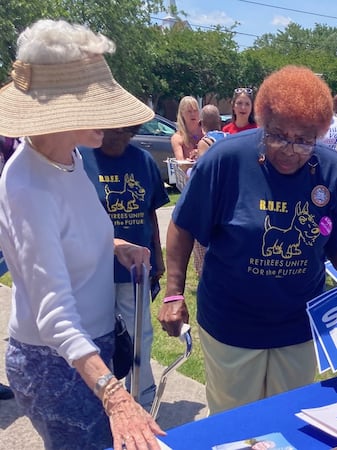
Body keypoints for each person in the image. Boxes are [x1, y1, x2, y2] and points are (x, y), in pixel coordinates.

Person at [158, 65, 337, 415]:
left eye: (304, 140)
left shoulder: (333, 171)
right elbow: (183, 225)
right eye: (279, 135)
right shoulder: (224, 161)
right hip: (231, 323)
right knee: (235, 426)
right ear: (263, 122)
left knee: (287, 419)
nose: (291, 149)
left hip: (299, 323)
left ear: (320, 134)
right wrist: (174, 292)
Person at [0, 19, 165, 449]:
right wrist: (115, 396)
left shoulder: (70, 157)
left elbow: (63, 235)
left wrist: (113, 246)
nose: (111, 121)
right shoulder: (27, 185)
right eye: (95, 105)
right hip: (57, 365)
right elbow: (53, 316)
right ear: (55, 109)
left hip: (90, 351)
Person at [80, 125, 170, 410]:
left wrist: (158, 256)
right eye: (115, 131)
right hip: (93, 269)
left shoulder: (142, 160)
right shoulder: (80, 159)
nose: (121, 137)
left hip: (136, 268)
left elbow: (150, 214)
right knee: (97, 335)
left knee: (139, 333)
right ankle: (101, 397)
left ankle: (141, 397)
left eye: (128, 133)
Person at [191, 104, 229, 276]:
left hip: (211, 197)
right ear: (220, 122)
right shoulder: (229, 138)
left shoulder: (204, 143)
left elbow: (204, 173)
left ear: (201, 124)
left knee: (201, 239)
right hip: (229, 198)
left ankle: (203, 272)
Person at [171, 95, 203, 161]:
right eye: (189, 111)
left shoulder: (205, 132)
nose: (193, 114)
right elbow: (181, 163)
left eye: (195, 111)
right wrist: (188, 162)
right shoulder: (177, 138)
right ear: (182, 113)